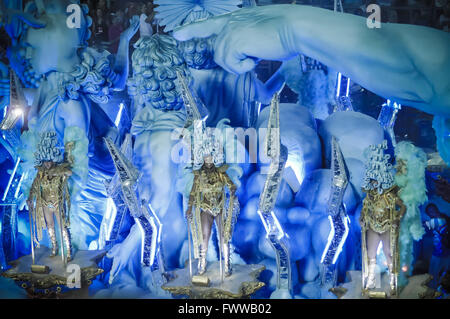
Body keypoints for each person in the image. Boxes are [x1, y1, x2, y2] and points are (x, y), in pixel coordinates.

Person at [172, 4, 450, 164]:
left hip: (316, 116)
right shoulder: (276, 68)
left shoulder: (273, 66)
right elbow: (423, 79)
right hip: (298, 121)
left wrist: (294, 33)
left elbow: (420, 79)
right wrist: (293, 34)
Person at [360, 140, 406, 295]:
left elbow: (403, 206)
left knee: (389, 253)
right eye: (371, 180)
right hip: (372, 227)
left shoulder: (389, 195)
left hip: (387, 226)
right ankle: (371, 281)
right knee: (370, 254)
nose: (373, 183)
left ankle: (393, 282)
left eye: (375, 179)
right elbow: (364, 209)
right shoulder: (369, 196)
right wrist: (362, 219)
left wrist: (397, 218)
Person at [27, 132, 74, 262]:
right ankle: (54, 247)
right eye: (45, 161)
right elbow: (34, 187)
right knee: (50, 226)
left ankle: (69, 250)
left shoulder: (60, 170)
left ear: (54, 159)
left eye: (50, 161)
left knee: (62, 226)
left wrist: (56, 171)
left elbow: (69, 172)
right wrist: (30, 198)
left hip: (58, 203)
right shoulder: (40, 174)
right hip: (45, 203)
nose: (47, 164)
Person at [424, 203, 450, 289]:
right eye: (430, 211)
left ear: (436, 209)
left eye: (433, 209)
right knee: (437, 274)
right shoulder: (441, 219)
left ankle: (436, 290)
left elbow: (424, 225)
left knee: (436, 274)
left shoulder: (440, 220)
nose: (433, 212)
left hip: (442, 252)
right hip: (441, 252)